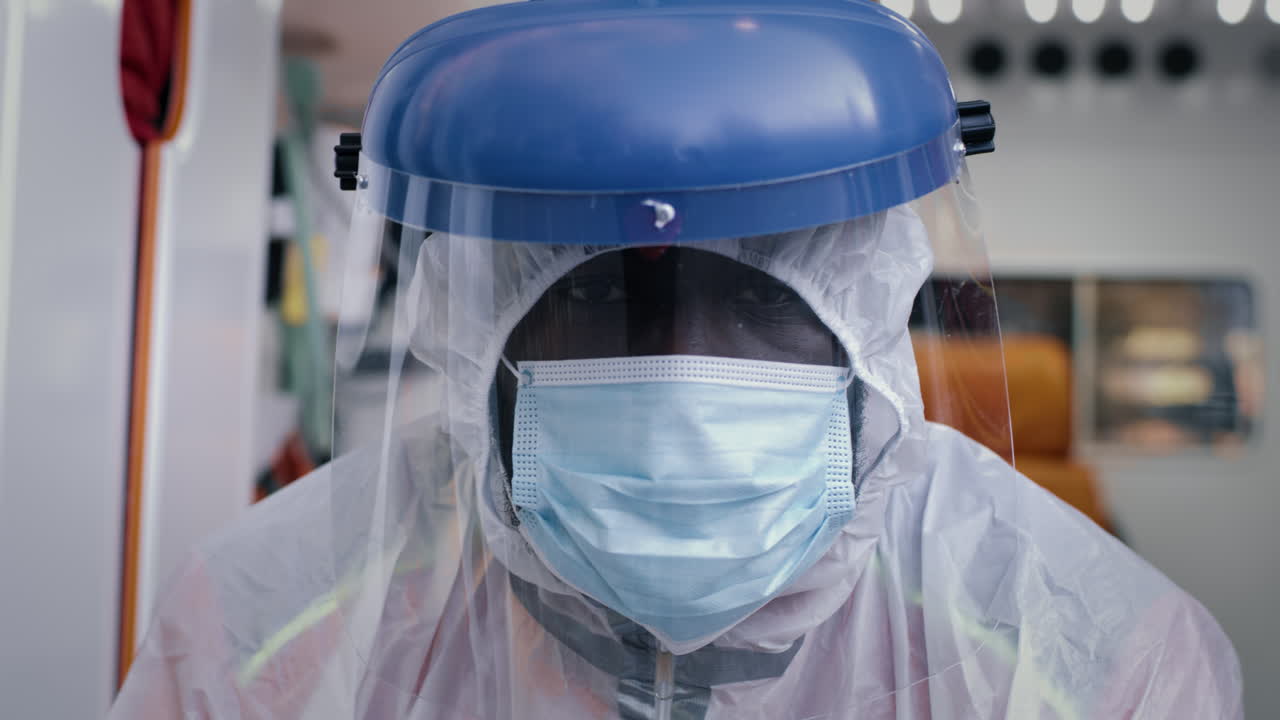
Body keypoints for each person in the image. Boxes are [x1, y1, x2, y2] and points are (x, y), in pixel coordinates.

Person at [110, 0, 1242, 717]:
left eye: (754, 308)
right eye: (603, 297)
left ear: (865, 322)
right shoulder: (265, 634)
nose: (679, 387)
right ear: (476, 329)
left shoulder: (1087, 660)